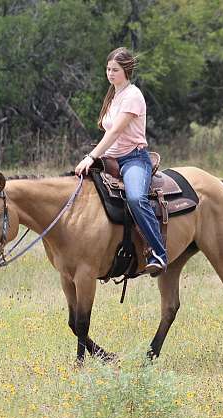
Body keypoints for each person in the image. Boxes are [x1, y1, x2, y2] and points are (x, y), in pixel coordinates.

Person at [74, 47, 168, 275]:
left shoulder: (133, 96)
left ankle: (159, 252)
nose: (110, 73)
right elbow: (108, 133)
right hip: (111, 159)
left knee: (136, 198)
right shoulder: (113, 95)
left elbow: (115, 132)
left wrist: (91, 156)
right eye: (107, 69)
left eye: (115, 69)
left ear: (126, 70)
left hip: (133, 159)